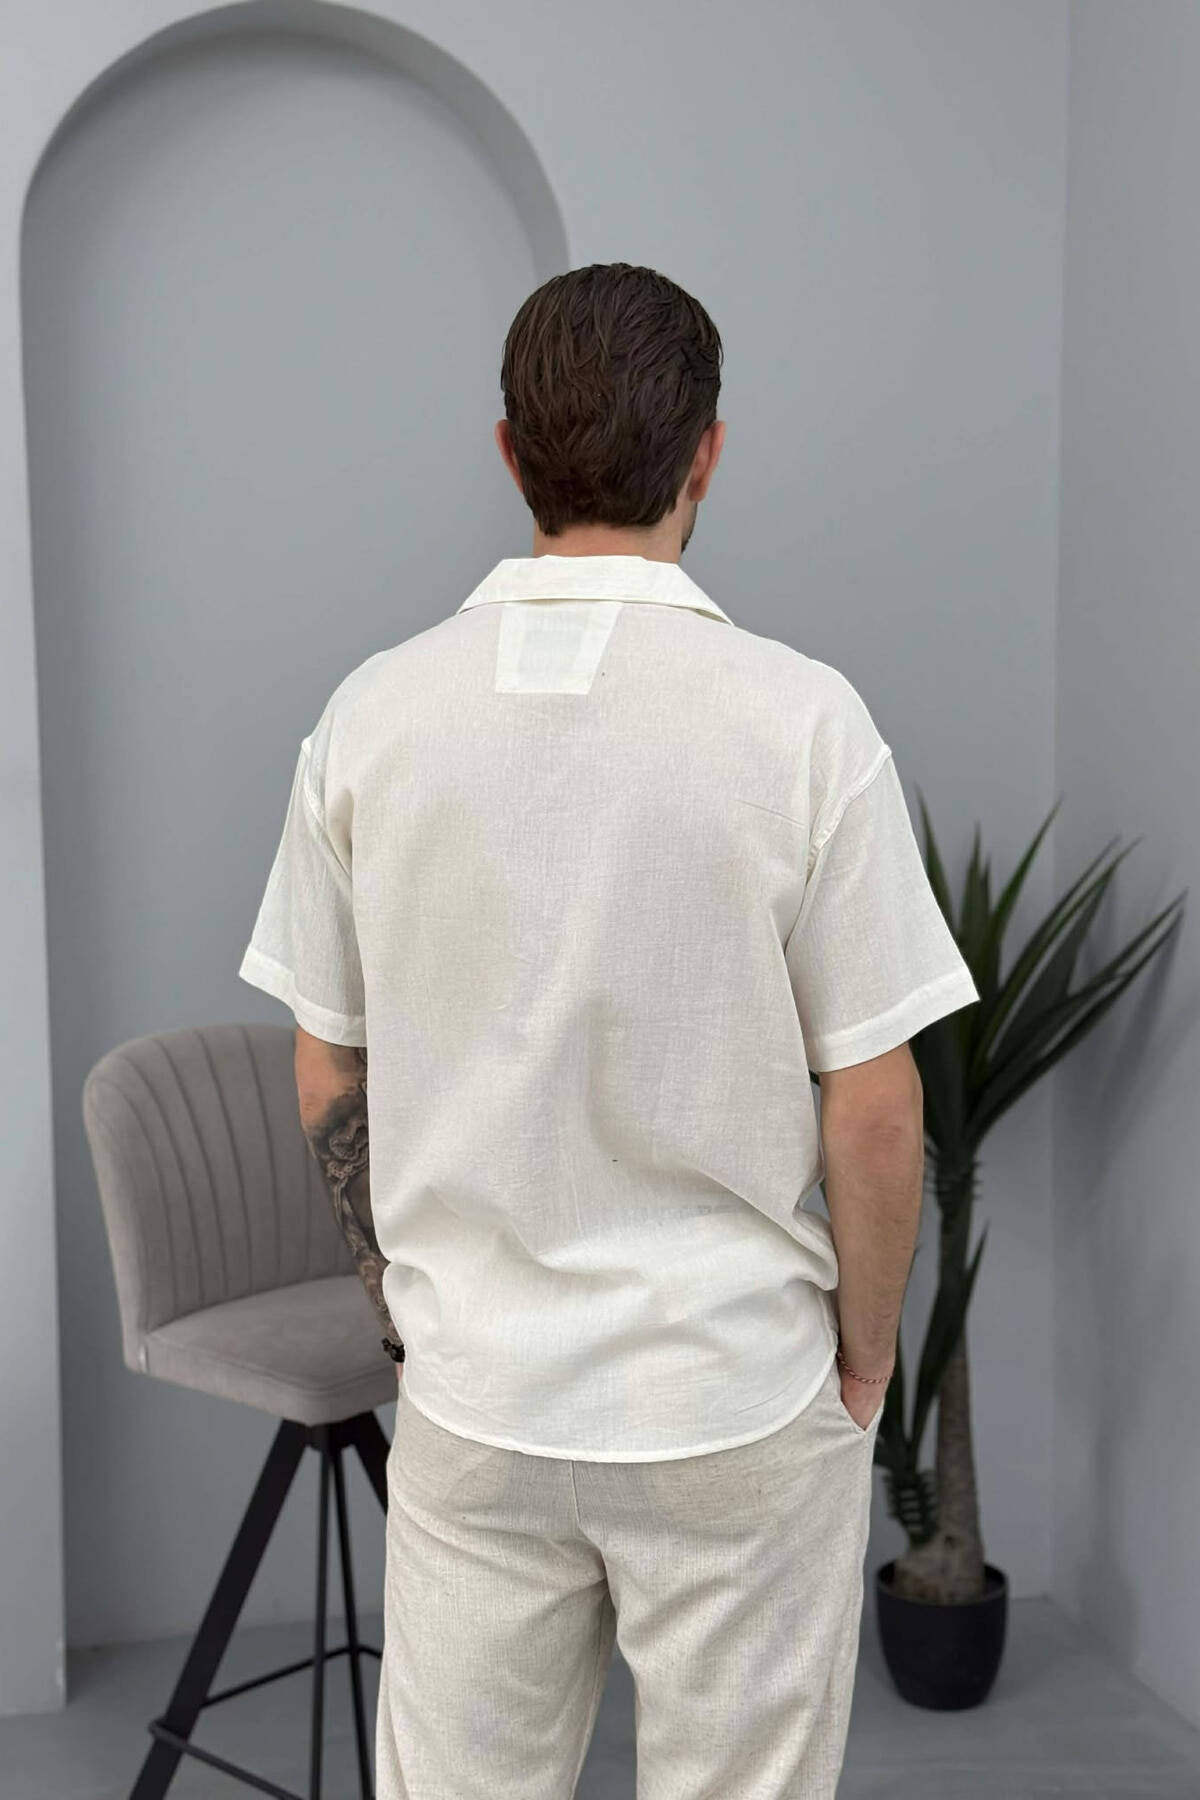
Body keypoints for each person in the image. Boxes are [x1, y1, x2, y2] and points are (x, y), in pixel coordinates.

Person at [238, 261, 980, 1800]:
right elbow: (875, 1105)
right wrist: (862, 1362)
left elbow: (326, 1068)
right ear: (708, 453)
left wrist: (408, 1308)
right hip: (731, 1394)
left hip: (478, 1396)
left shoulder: (370, 717)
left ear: (509, 454)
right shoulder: (803, 723)